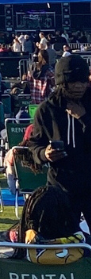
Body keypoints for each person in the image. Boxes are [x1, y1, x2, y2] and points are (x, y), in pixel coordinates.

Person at [27, 52, 91, 228]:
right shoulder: (47, 110)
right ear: (61, 83)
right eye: (72, 83)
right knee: (63, 242)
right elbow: (33, 144)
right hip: (61, 185)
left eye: (82, 82)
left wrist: (84, 119)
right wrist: (44, 154)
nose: (78, 87)